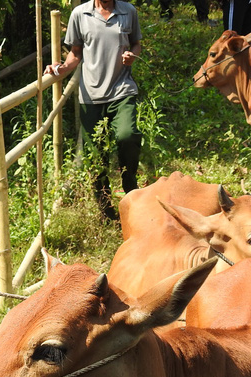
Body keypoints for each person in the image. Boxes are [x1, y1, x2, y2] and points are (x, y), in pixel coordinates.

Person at [45, 0, 143, 221]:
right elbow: (75, 53)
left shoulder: (128, 11)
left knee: (127, 135)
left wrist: (132, 55)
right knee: (95, 155)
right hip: (91, 95)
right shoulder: (80, 14)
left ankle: (130, 185)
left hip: (122, 88)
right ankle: (106, 207)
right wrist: (60, 67)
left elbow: (136, 43)